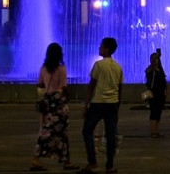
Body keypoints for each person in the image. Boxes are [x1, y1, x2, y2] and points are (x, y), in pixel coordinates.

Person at [31, 42, 79, 171]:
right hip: (59, 103)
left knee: (45, 131)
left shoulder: (43, 68)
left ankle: (36, 159)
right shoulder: (61, 68)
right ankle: (66, 161)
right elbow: (64, 87)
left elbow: (40, 85)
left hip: (47, 102)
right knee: (62, 133)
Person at [81, 37, 123, 174]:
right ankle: (109, 165)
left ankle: (92, 161)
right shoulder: (118, 67)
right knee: (111, 135)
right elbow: (120, 88)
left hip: (98, 104)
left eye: (101, 46)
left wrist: (86, 105)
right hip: (112, 105)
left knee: (87, 131)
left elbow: (91, 86)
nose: (99, 48)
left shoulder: (98, 65)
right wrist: (117, 107)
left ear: (107, 49)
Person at [144, 49, 167, 138]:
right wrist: (156, 58)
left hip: (161, 94)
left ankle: (156, 131)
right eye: (154, 59)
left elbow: (164, 81)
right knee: (153, 113)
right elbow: (148, 73)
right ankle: (153, 132)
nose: (156, 60)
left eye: (156, 59)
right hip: (153, 94)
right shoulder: (150, 69)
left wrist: (166, 91)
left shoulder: (159, 69)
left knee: (158, 113)